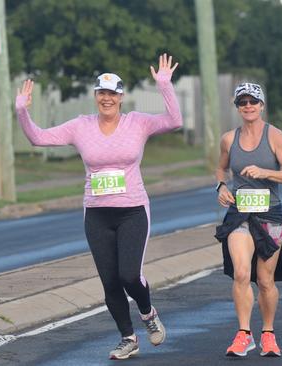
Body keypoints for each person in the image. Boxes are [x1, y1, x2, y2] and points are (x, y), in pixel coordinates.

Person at [15, 54, 182, 360]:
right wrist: (21, 111)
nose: (107, 98)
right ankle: (127, 338)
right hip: (97, 213)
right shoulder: (81, 126)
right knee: (109, 282)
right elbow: (38, 138)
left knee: (129, 275)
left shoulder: (138, 123)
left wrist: (164, 86)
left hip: (132, 209)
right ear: (95, 96)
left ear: (121, 97)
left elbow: (174, 121)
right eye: (101, 93)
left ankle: (147, 312)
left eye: (112, 93)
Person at [214, 83, 282, 358]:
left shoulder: (275, 136)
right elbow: (221, 168)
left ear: (262, 105)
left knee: (265, 280)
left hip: (269, 214)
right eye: (243, 102)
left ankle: (268, 334)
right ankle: (243, 334)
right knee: (241, 272)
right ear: (237, 107)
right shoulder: (229, 138)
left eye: (253, 101)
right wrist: (221, 187)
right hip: (239, 214)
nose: (248, 106)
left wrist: (265, 171)